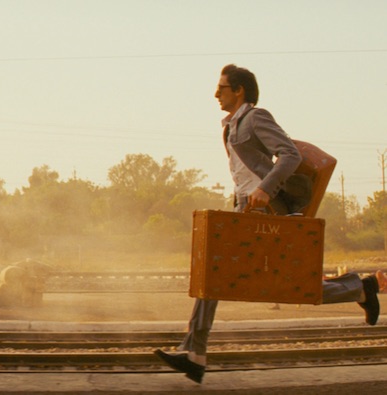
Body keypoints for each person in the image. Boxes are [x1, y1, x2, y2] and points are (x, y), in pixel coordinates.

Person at [154, 64, 386, 384]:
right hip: (247, 212)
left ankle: (360, 288)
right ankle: (194, 354)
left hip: (269, 211)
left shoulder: (255, 117)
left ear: (239, 91)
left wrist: (265, 189)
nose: (215, 94)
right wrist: (241, 203)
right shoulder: (229, 127)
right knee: (213, 273)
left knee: (287, 285)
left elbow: (288, 155)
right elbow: (243, 175)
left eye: (221, 88)